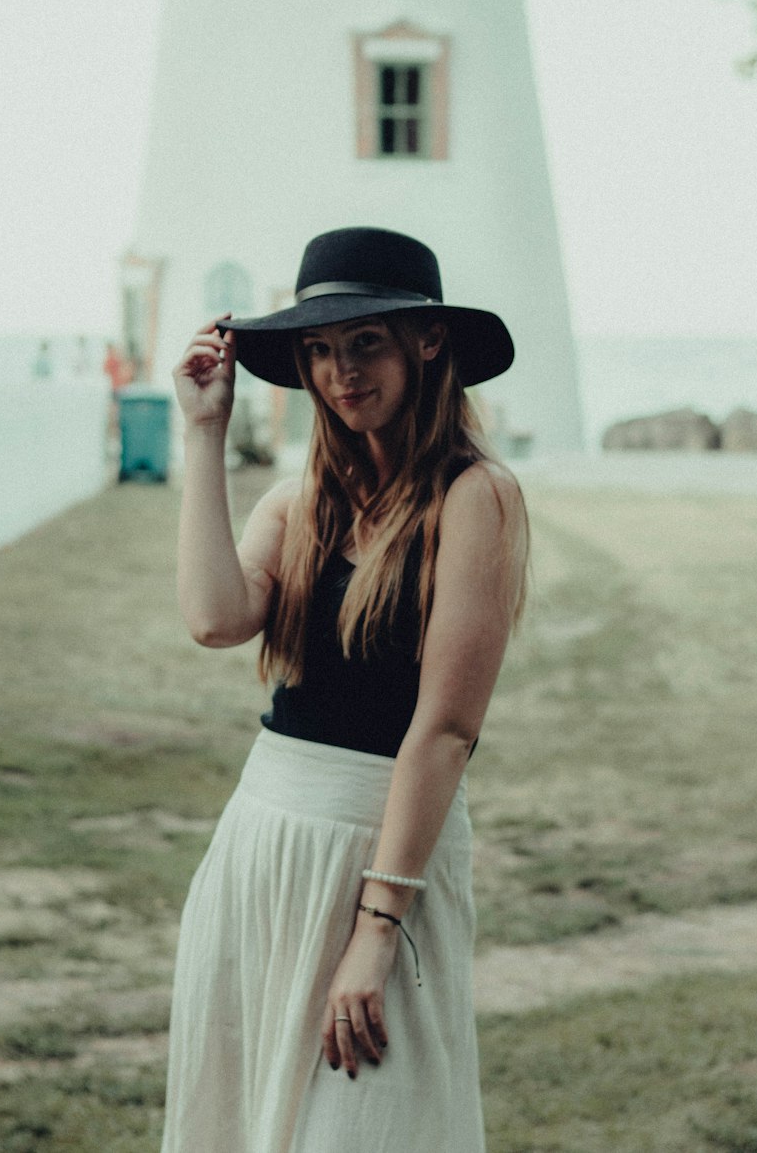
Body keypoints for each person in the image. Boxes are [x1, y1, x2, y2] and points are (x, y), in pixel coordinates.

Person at [163, 226, 529, 1153]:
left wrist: (378, 927)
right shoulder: (298, 504)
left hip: (386, 853)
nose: (340, 372)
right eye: (319, 350)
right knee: (243, 1121)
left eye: (365, 341)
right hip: (263, 846)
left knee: (366, 1127)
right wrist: (205, 433)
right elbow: (213, 618)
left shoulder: (474, 498)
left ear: (429, 341)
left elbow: (443, 729)